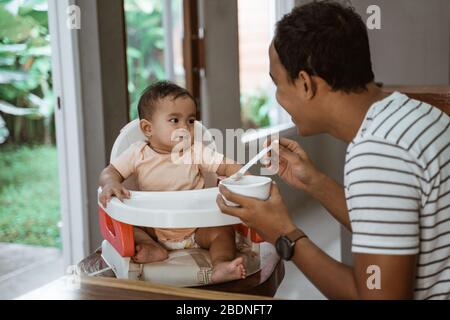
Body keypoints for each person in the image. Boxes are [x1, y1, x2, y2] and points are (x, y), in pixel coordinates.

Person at [217, 1, 450, 299]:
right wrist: (313, 181)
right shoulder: (412, 115)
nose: (277, 98)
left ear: (305, 83)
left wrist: (283, 234)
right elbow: (391, 227)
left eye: (278, 84)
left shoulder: (377, 152)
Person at [99, 81, 246, 284]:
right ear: (148, 128)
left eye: (191, 121)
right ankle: (153, 247)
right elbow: (111, 171)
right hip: (153, 228)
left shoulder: (195, 151)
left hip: (196, 228)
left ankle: (221, 265)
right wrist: (110, 183)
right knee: (129, 225)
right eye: (175, 120)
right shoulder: (137, 153)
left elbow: (225, 166)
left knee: (223, 232)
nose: (185, 128)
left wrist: (241, 174)